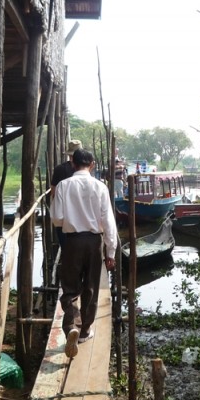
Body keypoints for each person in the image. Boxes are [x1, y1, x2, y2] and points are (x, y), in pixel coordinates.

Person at [49, 149, 118, 358]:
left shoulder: (63, 185)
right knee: (91, 287)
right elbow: (108, 221)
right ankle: (85, 330)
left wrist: (72, 218)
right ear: (93, 164)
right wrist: (111, 251)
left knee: (70, 287)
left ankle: (71, 324)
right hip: (94, 242)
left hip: (72, 241)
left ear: (72, 163)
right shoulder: (100, 187)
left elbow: (57, 219)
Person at [50, 139, 83, 247]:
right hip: (83, 218)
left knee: (67, 251)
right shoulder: (86, 171)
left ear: (70, 155)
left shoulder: (59, 169)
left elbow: (53, 192)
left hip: (64, 217)